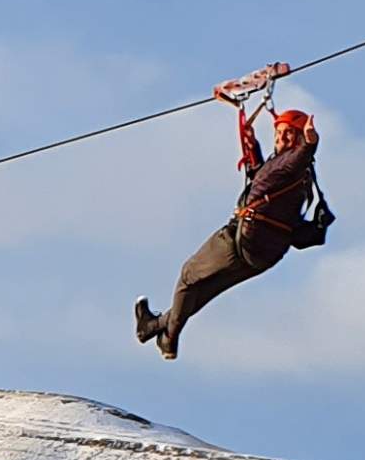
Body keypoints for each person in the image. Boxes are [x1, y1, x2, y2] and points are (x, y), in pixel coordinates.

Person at [134, 96, 320, 360]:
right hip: (264, 256)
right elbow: (261, 177)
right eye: (280, 132)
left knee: (188, 275)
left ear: (300, 138)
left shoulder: (293, 162)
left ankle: (169, 340)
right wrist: (251, 140)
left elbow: (298, 157)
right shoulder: (291, 173)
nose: (283, 137)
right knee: (200, 292)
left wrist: (311, 142)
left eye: (291, 133)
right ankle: (152, 328)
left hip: (242, 239)